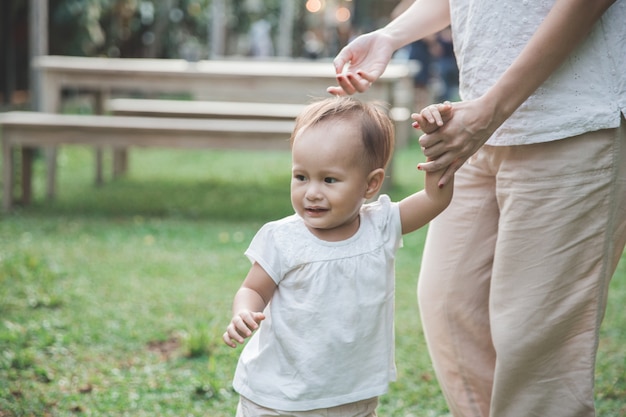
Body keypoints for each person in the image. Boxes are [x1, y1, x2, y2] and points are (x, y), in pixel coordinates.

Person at [327, 1, 626, 416]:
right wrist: (390, 36)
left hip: (573, 122)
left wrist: (493, 109)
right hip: (476, 123)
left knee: (532, 344)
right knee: (449, 305)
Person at [223, 97, 453, 417]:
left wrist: (437, 142)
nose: (312, 192)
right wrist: (244, 313)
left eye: (329, 180)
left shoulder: (381, 226)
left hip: (352, 397)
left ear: (370, 184)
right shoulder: (283, 238)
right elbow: (253, 289)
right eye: (301, 177)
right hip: (280, 398)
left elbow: (434, 198)